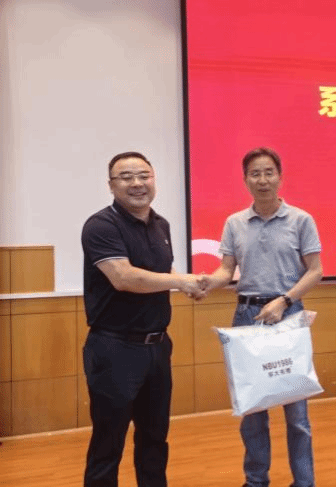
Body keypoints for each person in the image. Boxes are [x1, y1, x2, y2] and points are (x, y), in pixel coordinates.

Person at [200, 147, 323, 487]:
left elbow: (315, 271)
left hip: (288, 316)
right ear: (245, 180)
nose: (263, 179)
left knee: (296, 415)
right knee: (252, 411)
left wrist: (284, 300)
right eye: (255, 173)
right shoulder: (234, 223)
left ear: (280, 177)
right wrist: (207, 283)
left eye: (269, 172)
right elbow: (226, 271)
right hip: (247, 317)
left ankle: (304, 482)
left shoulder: (301, 220)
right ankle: (256, 481)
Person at [81, 151, 205, 486]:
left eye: (144, 175)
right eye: (126, 177)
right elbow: (124, 277)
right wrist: (181, 281)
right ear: (111, 185)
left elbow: (161, 269)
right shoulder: (101, 226)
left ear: (154, 180)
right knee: (108, 443)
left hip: (157, 347)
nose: (137, 183)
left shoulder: (160, 224)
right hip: (114, 349)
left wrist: (187, 284)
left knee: (154, 438)